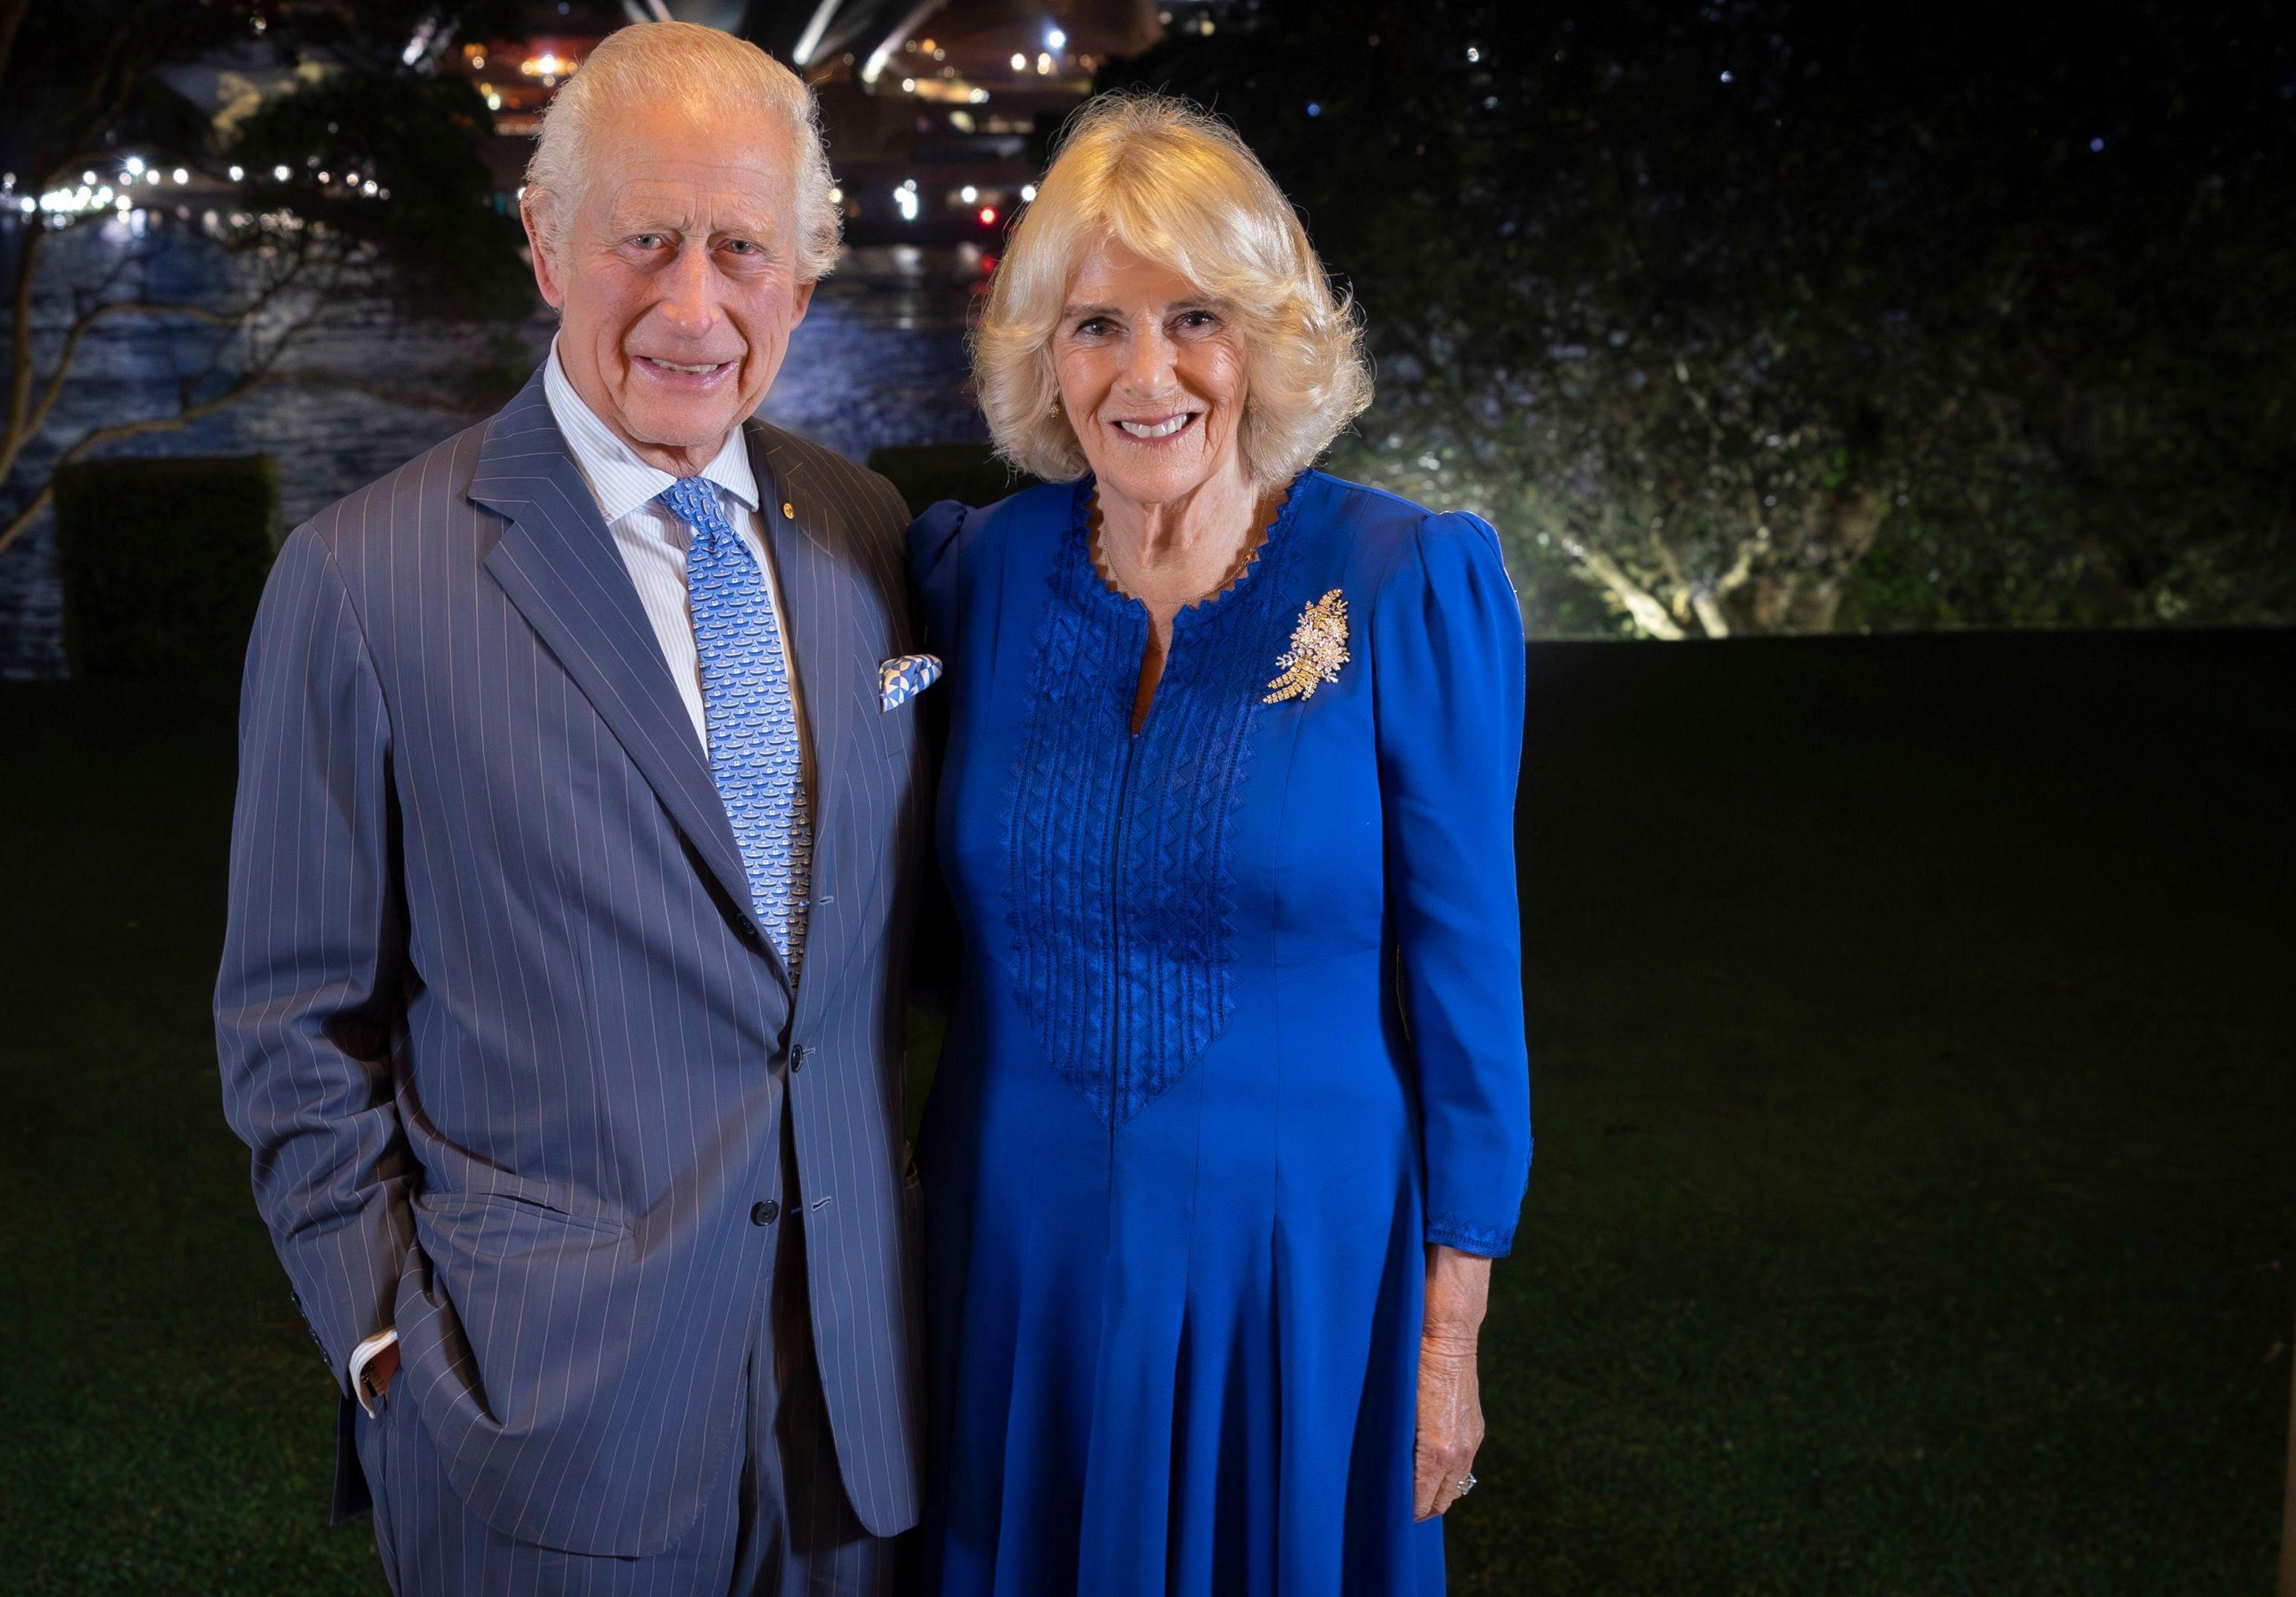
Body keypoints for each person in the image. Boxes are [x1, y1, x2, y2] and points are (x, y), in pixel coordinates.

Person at [212, 23, 932, 1593]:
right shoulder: (362, 582)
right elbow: (290, 1023)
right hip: (540, 1437)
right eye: (645, 241)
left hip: (856, 1432)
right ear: (546, 245)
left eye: (741, 248)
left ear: (802, 282)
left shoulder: (864, 535)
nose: (694, 304)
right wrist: (390, 1342)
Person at [909, 94, 1533, 1595]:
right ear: (1042, 358)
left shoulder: (1401, 584)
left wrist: (1448, 1338)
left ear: (1264, 333)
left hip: (1302, 1285)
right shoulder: (975, 578)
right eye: (1095, 325)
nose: (1146, 372)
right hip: (1018, 1275)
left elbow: (1469, 996)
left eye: (1194, 316)